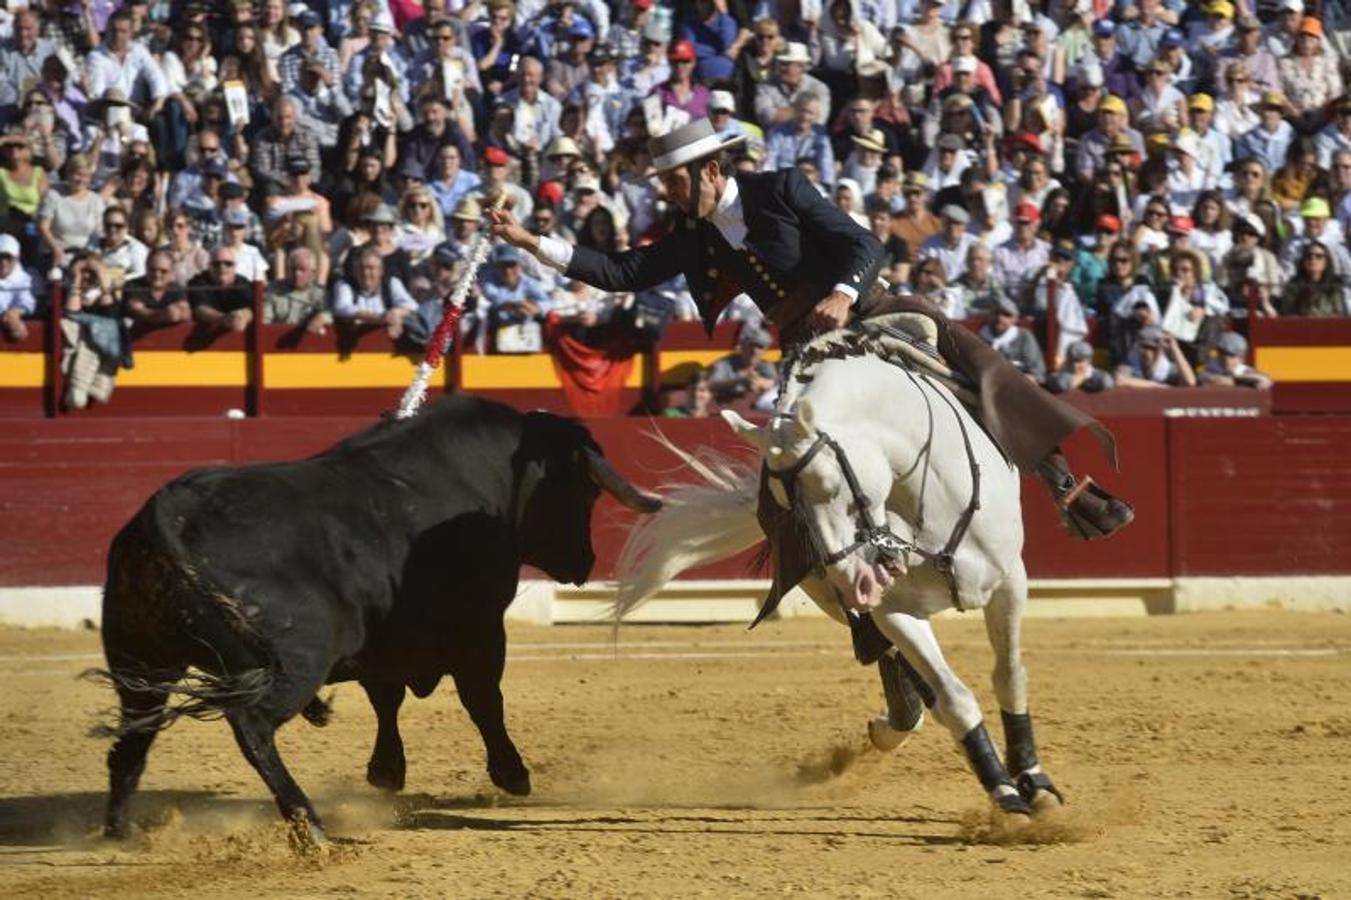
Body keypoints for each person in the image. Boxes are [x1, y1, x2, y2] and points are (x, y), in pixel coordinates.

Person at [487, 118, 1133, 569]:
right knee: (785, 470)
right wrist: (527, 242)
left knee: (971, 368)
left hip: (865, 313)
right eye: (665, 187)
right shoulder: (695, 234)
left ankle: (1064, 485)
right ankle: (831, 577)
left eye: (676, 183)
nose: (668, 195)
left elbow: (865, 245)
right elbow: (621, 273)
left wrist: (843, 294)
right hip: (803, 350)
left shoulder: (782, 189)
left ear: (710, 170)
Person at [331, 244, 417, 340]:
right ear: (355, 270)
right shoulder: (344, 284)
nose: (365, 273)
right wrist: (381, 318)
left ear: (381, 270)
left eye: (371, 268)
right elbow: (342, 308)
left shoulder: (391, 283)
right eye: (361, 268)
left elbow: (412, 305)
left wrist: (396, 314)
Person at [706, 325, 779, 408]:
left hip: (755, 410)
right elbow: (711, 384)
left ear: (765, 351)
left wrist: (760, 382)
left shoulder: (766, 366)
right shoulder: (724, 364)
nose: (755, 351)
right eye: (751, 346)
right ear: (742, 346)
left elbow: (776, 385)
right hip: (725, 407)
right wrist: (739, 381)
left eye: (760, 347)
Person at [264, 246, 331, 333]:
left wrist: (323, 317)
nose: (297, 274)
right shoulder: (274, 289)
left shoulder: (318, 294)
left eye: (302, 270)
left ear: (313, 272)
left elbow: (331, 312)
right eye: (293, 269)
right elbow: (265, 321)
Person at [189, 246, 256, 332]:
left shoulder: (243, 283)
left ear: (235, 266)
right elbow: (200, 309)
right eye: (216, 264)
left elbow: (250, 308)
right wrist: (224, 319)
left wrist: (242, 317)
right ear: (209, 266)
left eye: (228, 264)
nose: (222, 268)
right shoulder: (198, 282)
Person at [1115, 325, 1197, 388]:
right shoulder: (1131, 364)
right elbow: (1118, 380)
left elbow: (1190, 382)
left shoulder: (1167, 369)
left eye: (1153, 349)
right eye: (1145, 347)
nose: (1148, 352)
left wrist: (1175, 348)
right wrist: (1156, 387)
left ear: (1160, 350)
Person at [123, 249, 190, 326]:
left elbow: (186, 311)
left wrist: (178, 313)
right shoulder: (133, 286)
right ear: (146, 267)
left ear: (171, 272)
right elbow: (138, 312)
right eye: (153, 270)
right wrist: (164, 315)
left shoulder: (176, 288)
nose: (157, 275)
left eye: (163, 271)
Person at [1198, 331, 1273, 389]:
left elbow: (1266, 381)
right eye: (1224, 353)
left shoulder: (1243, 370)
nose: (1227, 359)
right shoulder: (1210, 368)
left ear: (1241, 358)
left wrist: (1256, 379)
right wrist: (1246, 381)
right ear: (1218, 354)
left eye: (1232, 355)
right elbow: (1213, 379)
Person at [1047, 340, 1115, 394]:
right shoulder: (1059, 375)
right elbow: (1059, 383)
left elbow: (1106, 381)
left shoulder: (1091, 373)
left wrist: (1087, 378)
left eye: (1086, 361)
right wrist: (1082, 377)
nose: (1082, 365)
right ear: (1069, 362)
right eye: (1077, 361)